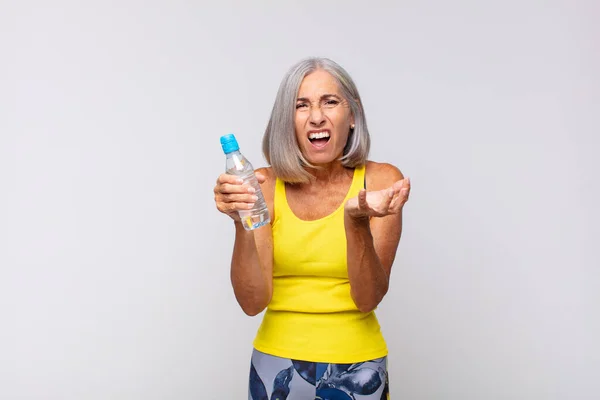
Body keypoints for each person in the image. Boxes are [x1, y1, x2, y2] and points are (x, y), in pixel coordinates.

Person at [214, 57, 410, 400]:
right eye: (301, 105)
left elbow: (368, 298)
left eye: (330, 102)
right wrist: (241, 223)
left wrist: (356, 219)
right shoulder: (263, 185)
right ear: (287, 121)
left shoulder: (380, 182)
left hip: (358, 363)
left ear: (352, 115)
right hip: (276, 362)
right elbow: (251, 302)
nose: (316, 116)